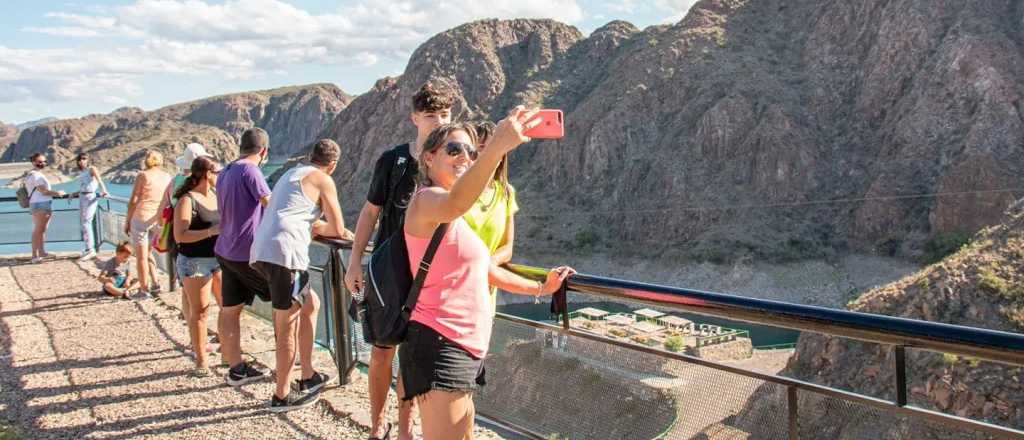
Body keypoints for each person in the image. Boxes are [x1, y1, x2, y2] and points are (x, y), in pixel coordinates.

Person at [400, 117, 574, 439]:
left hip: (466, 347)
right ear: (429, 157)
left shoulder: (455, 221)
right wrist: (497, 147)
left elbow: (484, 269)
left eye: (470, 151)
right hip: (440, 345)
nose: (465, 157)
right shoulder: (427, 201)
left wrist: (540, 287)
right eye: (454, 149)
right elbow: (456, 201)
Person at [344, 82, 453, 440]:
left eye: (445, 114)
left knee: (411, 357)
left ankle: (405, 429)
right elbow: (370, 211)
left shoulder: (449, 163)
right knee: (381, 352)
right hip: (391, 272)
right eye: (431, 115)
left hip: (430, 276)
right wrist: (355, 260)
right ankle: (378, 425)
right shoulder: (393, 160)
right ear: (414, 118)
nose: (439, 121)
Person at [250, 139, 354, 412]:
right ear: (332, 165)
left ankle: (308, 375)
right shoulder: (322, 179)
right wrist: (320, 227)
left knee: (312, 305)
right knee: (287, 324)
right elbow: (339, 229)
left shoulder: (291, 173)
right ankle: (282, 395)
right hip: (285, 255)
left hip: (262, 249)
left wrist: (313, 225)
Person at [215, 128, 274, 386]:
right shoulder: (252, 171)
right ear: (263, 151)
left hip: (225, 249)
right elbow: (270, 204)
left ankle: (236, 367)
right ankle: (293, 373)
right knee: (294, 302)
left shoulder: (225, 172)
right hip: (246, 252)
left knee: (230, 310)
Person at [172, 156, 222, 377]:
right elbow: (180, 236)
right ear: (207, 174)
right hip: (195, 262)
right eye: (217, 172)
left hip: (219, 259)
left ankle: (229, 355)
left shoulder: (216, 196)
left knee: (227, 305)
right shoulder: (187, 200)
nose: (220, 176)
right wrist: (210, 232)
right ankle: (201, 360)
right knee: (200, 311)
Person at [465, 121, 519, 314]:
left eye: (494, 148)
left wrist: (486, 264)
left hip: (485, 295)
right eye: (481, 148)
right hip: (453, 290)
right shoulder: (455, 189)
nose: (488, 154)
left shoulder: (506, 193)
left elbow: (507, 247)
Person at [124, 150, 172, 296]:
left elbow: (133, 201)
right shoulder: (167, 176)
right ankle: (156, 283)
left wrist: (127, 220)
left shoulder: (143, 175)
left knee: (141, 257)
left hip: (141, 219)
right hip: (158, 220)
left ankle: (144, 290)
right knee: (149, 253)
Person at [25, 152, 66, 264]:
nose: (42, 163)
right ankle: (35, 255)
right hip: (41, 205)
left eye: (44, 161)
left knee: (41, 229)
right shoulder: (37, 175)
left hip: (36, 204)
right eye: (39, 162)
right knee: (38, 230)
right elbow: (44, 191)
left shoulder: (30, 174)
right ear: (33, 162)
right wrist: (58, 193)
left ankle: (41, 252)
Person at [71, 153, 109, 262]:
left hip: (90, 197)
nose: (81, 161)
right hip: (82, 196)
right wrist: (74, 193)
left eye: (84, 159)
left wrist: (104, 190)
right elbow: (84, 186)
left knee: (87, 222)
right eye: (79, 159)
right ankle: (88, 247)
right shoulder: (82, 172)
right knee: (83, 223)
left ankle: (91, 249)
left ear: (88, 160)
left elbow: (99, 180)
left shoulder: (92, 169)